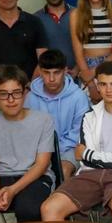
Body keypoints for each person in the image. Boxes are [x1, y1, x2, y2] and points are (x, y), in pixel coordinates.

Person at [40, 61, 112, 223]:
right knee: (49, 208)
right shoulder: (89, 116)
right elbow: (88, 161)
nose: (108, 89)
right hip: (91, 174)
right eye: (103, 84)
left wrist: (90, 154)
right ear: (97, 86)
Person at [0, 65, 55, 223]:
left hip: (34, 178)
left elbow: (42, 165)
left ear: (25, 94)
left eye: (16, 93)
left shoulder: (44, 120)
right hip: (0, 177)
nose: (11, 100)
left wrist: (12, 190)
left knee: (29, 209)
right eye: (4, 94)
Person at [24, 49, 90, 180]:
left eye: (56, 73)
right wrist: (43, 153)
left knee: (63, 169)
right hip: (37, 150)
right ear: (40, 72)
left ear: (65, 71)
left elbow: (78, 133)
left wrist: (53, 153)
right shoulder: (31, 98)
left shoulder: (78, 97)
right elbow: (26, 131)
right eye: (46, 73)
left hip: (69, 148)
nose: (51, 79)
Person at [34, 0, 75, 71]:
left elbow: (86, 47)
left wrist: (76, 70)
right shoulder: (35, 19)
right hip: (49, 79)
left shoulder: (79, 14)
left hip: (78, 77)